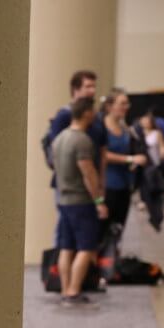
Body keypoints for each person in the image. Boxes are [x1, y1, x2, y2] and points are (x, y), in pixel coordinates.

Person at [52, 97, 111, 303]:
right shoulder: (82, 141)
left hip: (64, 200)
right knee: (86, 247)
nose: (95, 115)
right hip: (81, 202)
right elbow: (88, 174)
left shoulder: (60, 138)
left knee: (66, 247)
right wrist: (99, 201)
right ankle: (74, 291)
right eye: (92, 111)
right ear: (86, 113)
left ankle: (65, 289)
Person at [99, 89, 149, 236]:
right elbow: (102, 155)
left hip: (125, 186)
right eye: (122, 103)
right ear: (110, 106)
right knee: (102, 232)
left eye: (127, 103)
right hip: (107, 186)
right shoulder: (101, 127)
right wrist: (130, 159)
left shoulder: (126, 129)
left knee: (118, 230)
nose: (126, 107)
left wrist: (135, 161)